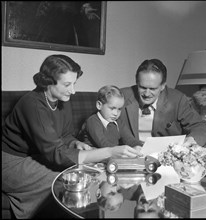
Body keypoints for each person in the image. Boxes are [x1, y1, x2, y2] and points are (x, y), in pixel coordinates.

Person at [2, 54, 142, 219]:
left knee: (83, 174)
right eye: (67, 84)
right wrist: (110, 152)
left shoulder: (63, 99)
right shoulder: (32, 104)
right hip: (12, 163)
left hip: (38, 156)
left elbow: (65, 135)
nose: (73, 90)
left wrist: (75, 143)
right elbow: (57, 154)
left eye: (74, 83)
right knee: (68, 181)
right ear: (47, 82)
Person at [119, 59, 206, 147]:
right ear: (137, 83)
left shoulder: (177, 99)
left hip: (164, 155)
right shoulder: (122, 96)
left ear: (162, 86)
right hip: (132, 156)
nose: (146, 94)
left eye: (152, 89)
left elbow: (200, 126)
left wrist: (191, 140)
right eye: (142, 87)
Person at [79, 85, 143, 149]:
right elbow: (103, 144)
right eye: (112, 108)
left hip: (112, 154)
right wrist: (123, 150)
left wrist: (142, 145)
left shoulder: (119, 122)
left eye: (119, 109)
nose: (116, 113)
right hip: (94, 154)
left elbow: (130, 140)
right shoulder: (92, 121)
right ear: (99, 105)